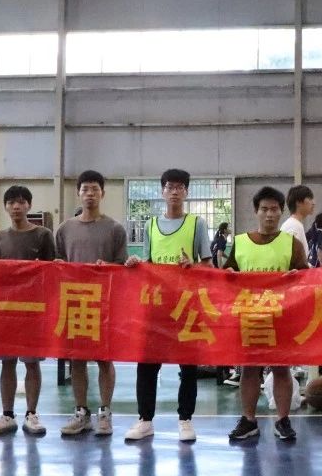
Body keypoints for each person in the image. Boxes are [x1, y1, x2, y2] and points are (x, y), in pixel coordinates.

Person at [123, 169, 212, 443]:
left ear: (186, 192)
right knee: (147, 364)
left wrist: (192, 266)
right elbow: (149, 265)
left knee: (188, 366)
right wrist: (136, 264)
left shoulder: (196, 224)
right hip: (157, 307)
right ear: (162, 191)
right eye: (170, 186)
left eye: (180, 187)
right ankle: (145, 420)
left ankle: (185, 419)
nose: (175, 191)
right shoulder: (150, 225)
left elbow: (209, 266)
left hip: (187, 306)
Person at [223, 187, 309, 441]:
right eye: (264, 209)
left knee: (281, 369)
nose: (269, 214)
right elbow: (226, 276)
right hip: (250, 317)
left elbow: (307, 279)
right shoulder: (240, 242)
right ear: (256, 211)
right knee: (249, 369)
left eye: (274, 209)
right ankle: (249, 420)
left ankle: (282, 420)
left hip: (281, 317)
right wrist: (229, 274)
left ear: (281, 212)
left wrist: (297, 277)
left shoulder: (292, 244)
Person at [56, 170, 128, 437]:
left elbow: (122, 267)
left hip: (104, 305)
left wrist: (107, 267)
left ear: (103, 193)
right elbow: (57, 266)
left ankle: (105, 413)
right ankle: (81, 412)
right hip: (75, 304)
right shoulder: (64, 229)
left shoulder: (115, 229)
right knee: (77, 360)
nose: (89, 194)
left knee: (104, 360)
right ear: (78, 193)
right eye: (85, 189)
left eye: (94, 189)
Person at [0, 185, 55, 436]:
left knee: (32, 363)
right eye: (12, 202)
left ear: (29, 206)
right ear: (5, 206)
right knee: (7, 362)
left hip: (33, 309)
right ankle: (7, 414)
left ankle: (31, 414)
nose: (16, 206)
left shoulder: (43, 235)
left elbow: (51, 271)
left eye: (22, 202)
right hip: (4, 309)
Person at [280, 184, 314, 257]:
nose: (313, 203)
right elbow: (290, 257)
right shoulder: (293, 226)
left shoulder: (295, 224)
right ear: (298, 203)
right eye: (310, 199)